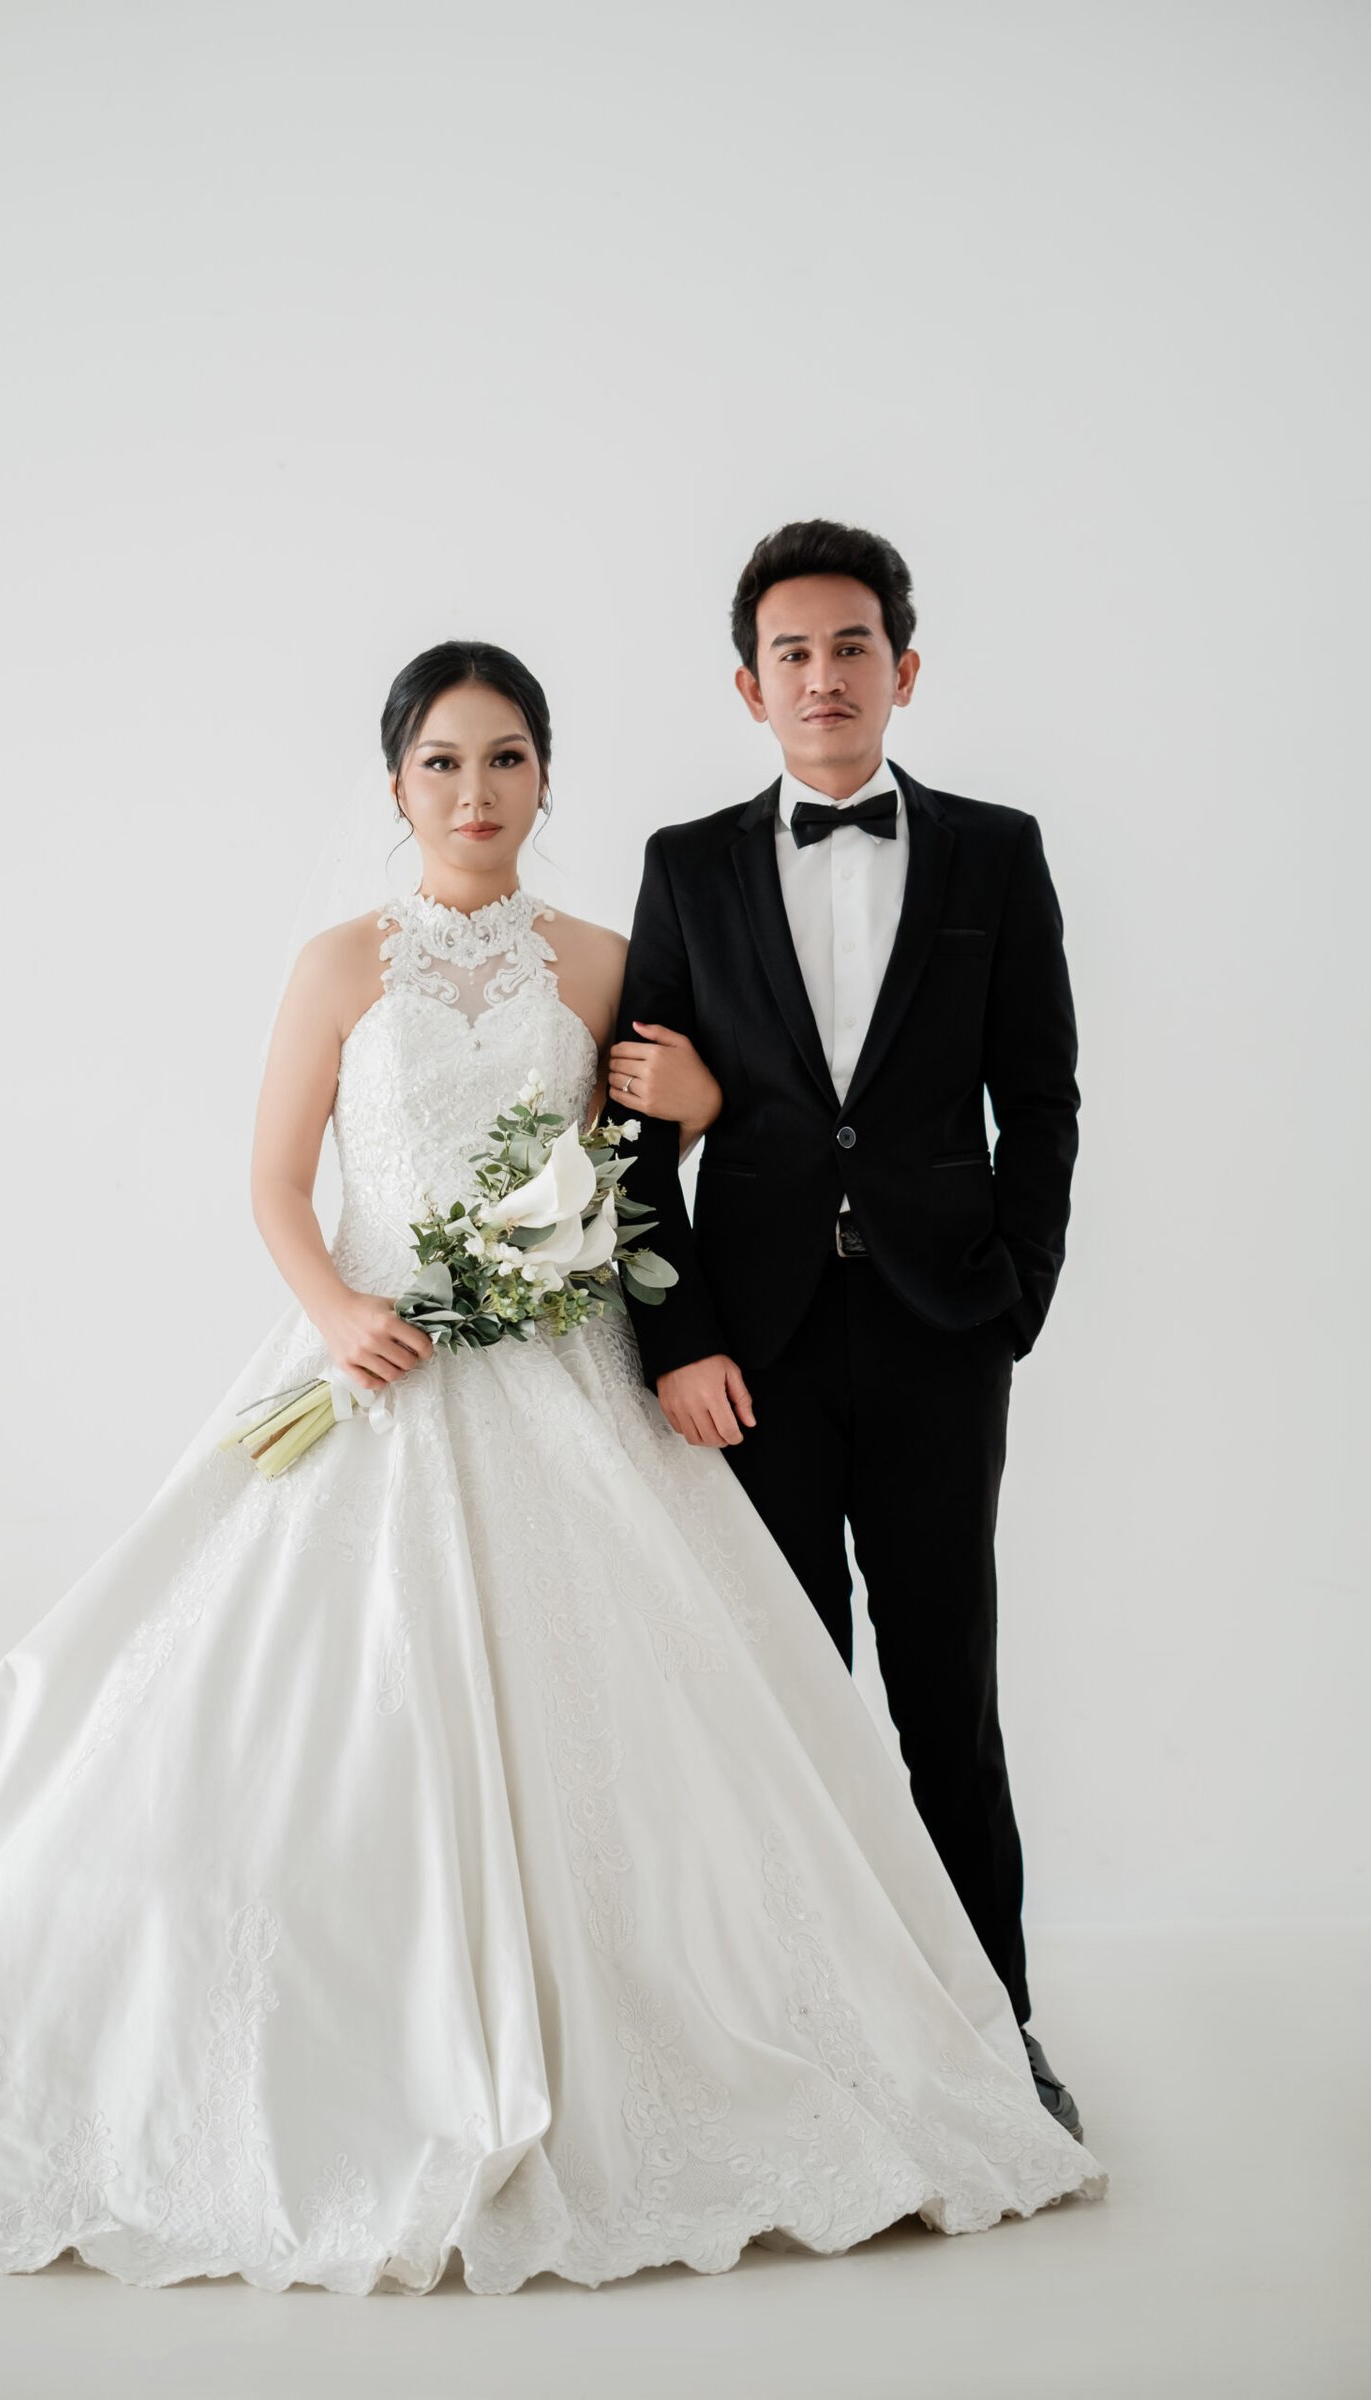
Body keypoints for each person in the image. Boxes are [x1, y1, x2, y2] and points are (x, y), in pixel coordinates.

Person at [0, 640, 1101, 2296]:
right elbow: (275, 1180)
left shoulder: (605, 958)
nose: (477, 793)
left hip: (567, 1365)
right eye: (445, 763)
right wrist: (341, 1314)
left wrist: (696, 1107)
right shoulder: (339, 963)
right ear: (396, 782)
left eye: (509, 759)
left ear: (547, 778)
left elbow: (660, 1160)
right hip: (376, 1365)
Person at [612, 519, 1084, 2135]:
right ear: (751, 688)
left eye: (853, 647)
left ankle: (995, 2035)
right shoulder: (686, 866)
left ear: (905, 670)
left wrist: (1015, 1298)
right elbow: (633, 1134)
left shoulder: (996, 854)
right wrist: (676, 1341)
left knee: (947, 1697)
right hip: (754, 1353)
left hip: (943, 1333)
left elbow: (1041, 1098)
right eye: (792, 654)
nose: (825, 676)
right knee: (784, 1704)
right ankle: (810, 2039)